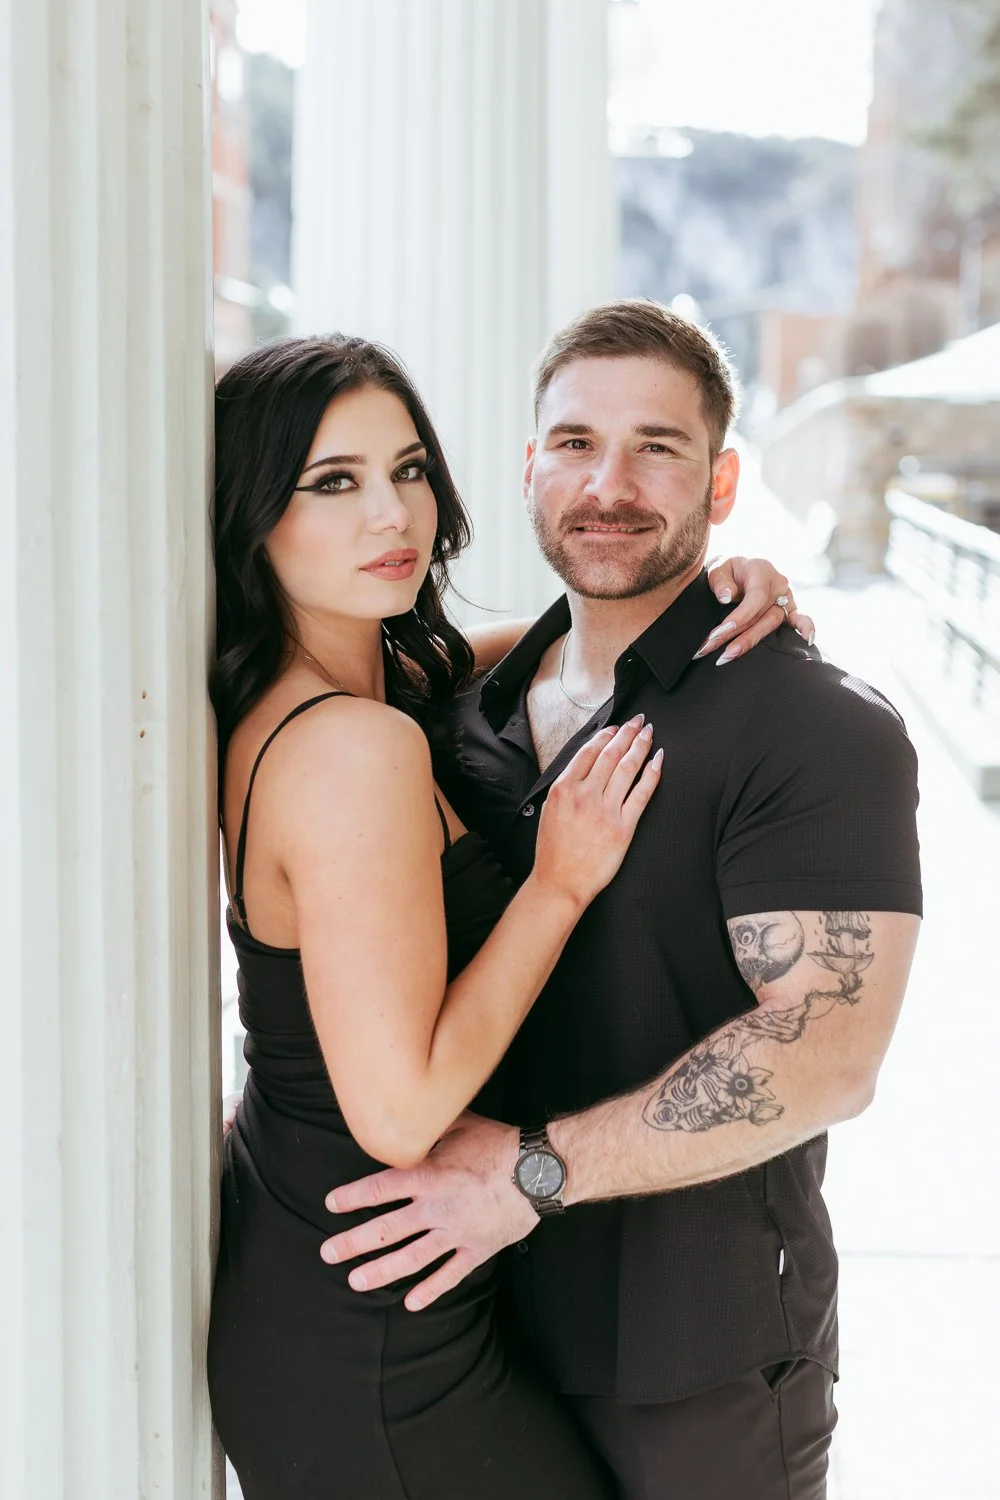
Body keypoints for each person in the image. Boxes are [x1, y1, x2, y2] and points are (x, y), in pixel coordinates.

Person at [318, 301, 923, 1500]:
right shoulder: (463, 709)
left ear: (721, 483)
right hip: (465, 1328)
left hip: (692, 1361)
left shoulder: (814, 727)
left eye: (657, 447)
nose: (609, 484)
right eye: (576, 443)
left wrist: (525, 1176)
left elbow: (827, 1053)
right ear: (528, 468)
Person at [206, 331, 802, 1499]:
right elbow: (401, 1111)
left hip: (351, 1284)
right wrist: (556, 884)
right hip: (375, 1339)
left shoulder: (344, 692)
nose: (393, 514)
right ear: (251, 515)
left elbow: (501, 656)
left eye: (407, 468)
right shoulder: (350, 750)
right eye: (333, 483)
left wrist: (703, 596)